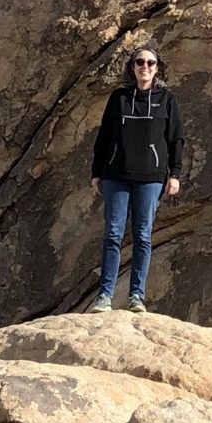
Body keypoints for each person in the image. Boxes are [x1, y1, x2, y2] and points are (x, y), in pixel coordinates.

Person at [88, 47, 181, 312]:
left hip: (151, 177)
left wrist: (175, 174)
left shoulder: (166, 99)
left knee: (142, 236)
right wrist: (97, 172)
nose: (145, 67)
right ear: (132, 67)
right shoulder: (118, 98)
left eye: (151, 62)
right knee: (113, 235)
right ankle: (105, 296)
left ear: (157, 67)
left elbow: (175, 139)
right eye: (140, 62)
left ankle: (136, 296)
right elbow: (104, 137)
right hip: (115, 175)